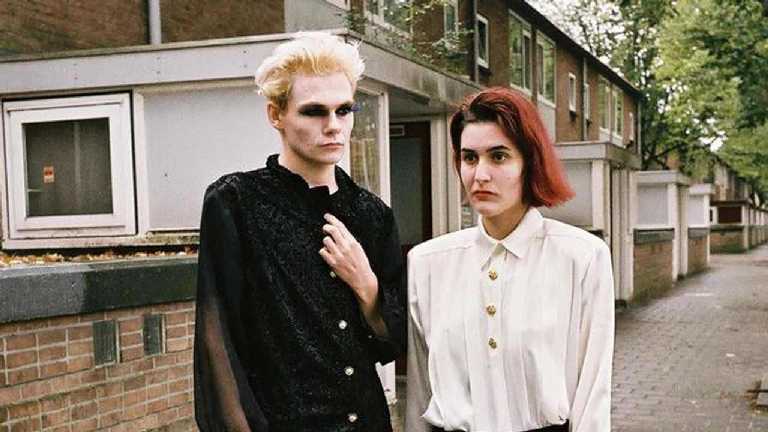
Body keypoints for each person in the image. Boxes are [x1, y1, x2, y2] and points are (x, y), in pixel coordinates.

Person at [193, 32, 406, 432]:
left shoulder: (373, 214)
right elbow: (217, 344)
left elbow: (393, 345)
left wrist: (366, 285)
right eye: (314, 112)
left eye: (344, 110)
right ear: (276, 115)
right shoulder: (236, 202)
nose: (334, 126)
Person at [405, 87, 615, 432]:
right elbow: (420, 396)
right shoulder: (427, 263)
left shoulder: (582, 258)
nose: (480, 175)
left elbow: (593, 395)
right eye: (469, 158)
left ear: (530, 163)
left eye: (499, 156)